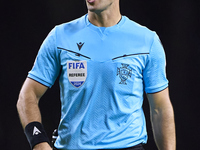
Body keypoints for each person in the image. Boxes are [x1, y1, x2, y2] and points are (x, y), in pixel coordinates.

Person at [17, 0, 176, 150]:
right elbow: (27, 95)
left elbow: (160, 108)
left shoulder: (147, 41)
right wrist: (38, 142)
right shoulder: (60, 36)